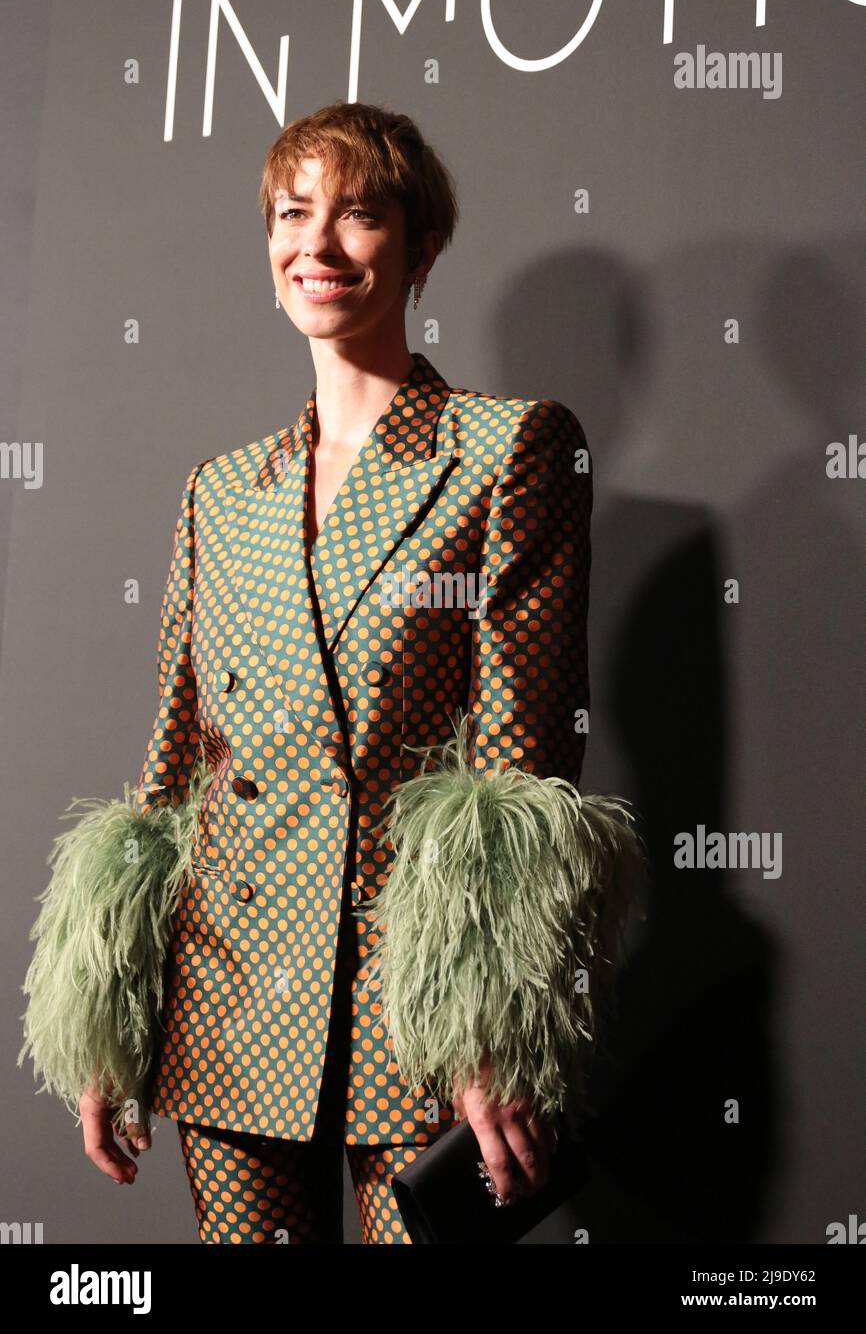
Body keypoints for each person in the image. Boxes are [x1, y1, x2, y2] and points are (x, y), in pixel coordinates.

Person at [19, 102, 645, 1244]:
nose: (318, 242)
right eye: (291, 213)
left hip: (414, 1006)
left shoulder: (509, 449)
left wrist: (485, 1022)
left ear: (420, 249)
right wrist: (105, 1012)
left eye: (358, 213)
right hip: (232, 989)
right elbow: (172, 774)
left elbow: (520, 766)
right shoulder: (220, 489)